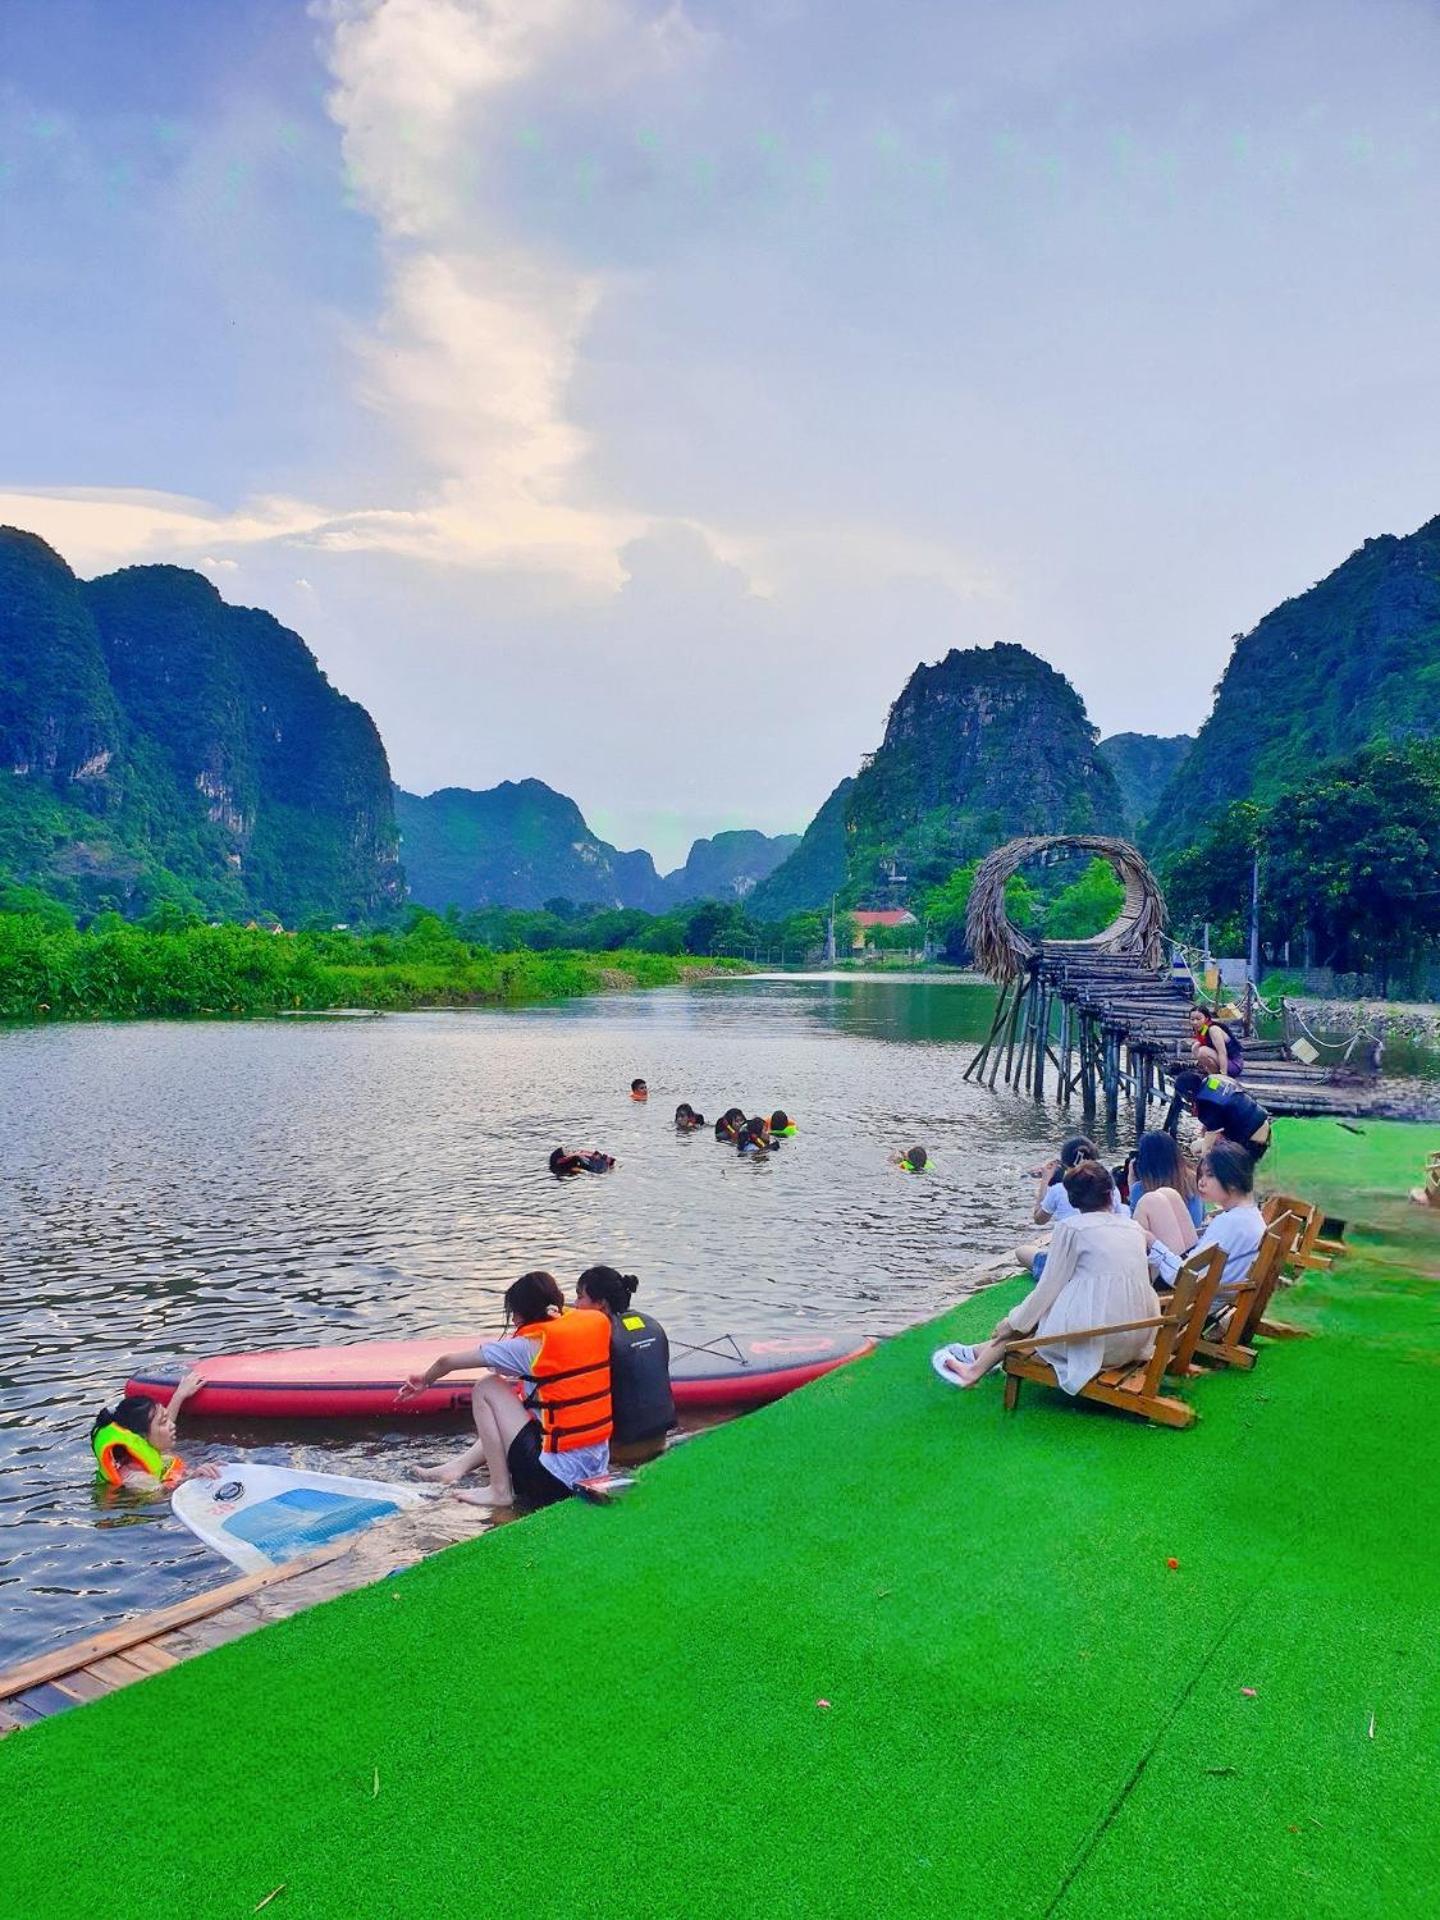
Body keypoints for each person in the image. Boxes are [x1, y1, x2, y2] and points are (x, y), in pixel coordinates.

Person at [934, 1162, 1158, 1393]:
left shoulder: (1072, 1228)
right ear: (1111, 1194)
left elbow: (1048, 1288)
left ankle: (973, 1370)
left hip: (1098, 1343)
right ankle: (981, 1353)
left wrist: (1010, 1323)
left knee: (1036, 1313)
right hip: (1137, 1337)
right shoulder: (1132, 1228)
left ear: (1073, 1200)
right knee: (1046, 1309)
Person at [400, 1271, 611, 1509]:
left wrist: (425, 1381)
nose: (513, 1321)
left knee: (487, 1387)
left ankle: (499, 1491)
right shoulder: (594, 1322)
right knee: (529, 1404)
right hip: (594, 1471)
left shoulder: (526, 1346)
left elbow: (447, 1362)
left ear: (523, 1314)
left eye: (514, 1314)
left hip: (552, 1482)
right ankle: (456, 1468)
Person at [1148, 1142, 1266, 1300]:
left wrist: (1153, 1243)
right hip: (1210, 1293)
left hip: (1189, 1304)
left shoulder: (1229, 1223)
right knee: (1167, 1194)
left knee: (1149, 1203)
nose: (1201, 1182)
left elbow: (1182, 1278)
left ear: (1232, 1181)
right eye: (1201, 1175)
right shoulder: (1249, 1214)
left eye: (1210, 1175)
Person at [575, 1266, 674, 1446]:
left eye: (580, 1297)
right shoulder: (649, 1323)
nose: (575, 1304)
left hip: (621, 1446)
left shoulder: (599, 1336)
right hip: (660, 1437)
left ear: (602, 1305)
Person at [91, 1370, 219, 1488]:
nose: (172, 1425)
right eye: (164, 1422)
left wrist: (180, 1395)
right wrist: (194, 1477)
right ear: (142, 1437)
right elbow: (161, 1496)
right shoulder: (136, 1478)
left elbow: (158, 1423)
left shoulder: (148, 1447)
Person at [1127, 1129, 1204, 1257]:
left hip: (1163, 1261)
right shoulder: (1193, 1181)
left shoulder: (1141, 1190)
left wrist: (1131, 1184)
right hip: (1191, 1250)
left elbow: (1136, 1231)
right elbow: (1201, 1217)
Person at [1172, 1068, 1272, 1162]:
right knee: (1199, 1145)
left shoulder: (1205, 1105)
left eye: (1183, 1096)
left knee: (1197, 1150)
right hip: (1264, 1126)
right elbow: (1211, 1127)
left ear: (1189, 1093)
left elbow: (1206, 1151)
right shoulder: (1213, 1080)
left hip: (1252, 1143)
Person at [1190, 1006, 1244, 1077]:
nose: (1195, 1022)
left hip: (1234, 1065)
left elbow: (1222, 1052)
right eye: (1192, 1019)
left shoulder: (1213, 1029)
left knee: (1203, 1051)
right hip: (1224, 1062)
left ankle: (1221, 1076)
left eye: (1198, 1019)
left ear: (1206, 1019)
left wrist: (1224, 1074)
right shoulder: (1203, 1029)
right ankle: (1212, 1075)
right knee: (1195, 1047)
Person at [550, 1147, 615, 1176]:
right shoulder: (571, 1163)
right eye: (567, 1152)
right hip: (601, 1168)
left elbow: (582, 1171)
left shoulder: (574, 1158)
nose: (569, 1152)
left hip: (601, 1167)